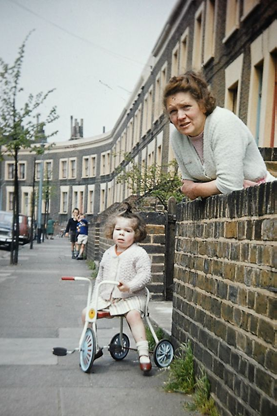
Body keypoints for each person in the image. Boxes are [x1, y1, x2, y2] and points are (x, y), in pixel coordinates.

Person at [163, 71, 275, 200]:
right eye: (173, 111)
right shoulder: (177, 137)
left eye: (186, 107)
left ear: (202, 105)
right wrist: (206, 187)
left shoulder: (223, 122)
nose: (180, 116)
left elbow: (229, 186)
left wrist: (196, 188)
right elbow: (188, 185)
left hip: (265, 200)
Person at [82, 204, 152, 373]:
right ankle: (94, 346)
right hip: (108, 298)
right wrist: (95, 299)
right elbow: (100, 278)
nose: (121, 233)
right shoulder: (108, 253)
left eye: (127, 231)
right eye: (118, 229)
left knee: (134, 315)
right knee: (86, 313)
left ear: (136, 235)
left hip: (131, 298)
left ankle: (143, 353)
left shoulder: (138, 253)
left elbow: (145, 275)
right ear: (112, 231)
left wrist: (130, 286)